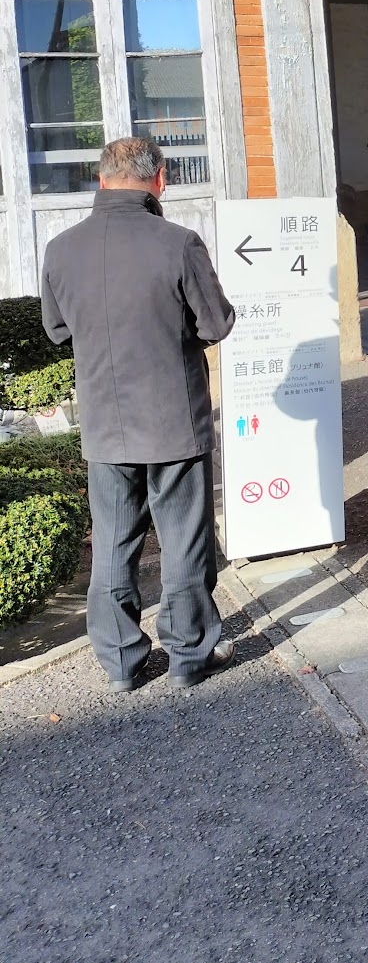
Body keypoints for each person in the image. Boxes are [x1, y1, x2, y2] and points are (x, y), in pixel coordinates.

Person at [39, 137, 236, 693]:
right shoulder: (178, 243)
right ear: (160, 180)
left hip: (104, 421)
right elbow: (216, 323)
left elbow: (57, 330)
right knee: (184, 540)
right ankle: (189, 654)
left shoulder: (62, 249)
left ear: (100, 181)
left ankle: (121, 661)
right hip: (174, 418)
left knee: (112, 543)